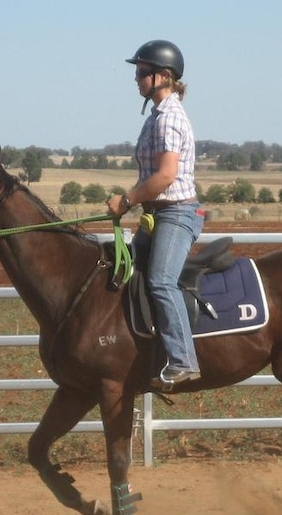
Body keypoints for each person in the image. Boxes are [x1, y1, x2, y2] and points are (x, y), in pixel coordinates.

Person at [107, 39, 204, 390]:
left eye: (142, 72)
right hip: (158, 213)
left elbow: (164, 176)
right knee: (128, 273)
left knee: (161, 280)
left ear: (163, 76)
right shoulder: (156, 115)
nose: (136, 78)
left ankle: (183, 360)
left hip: (176, 214)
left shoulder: (170, 118)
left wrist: (127, 200)